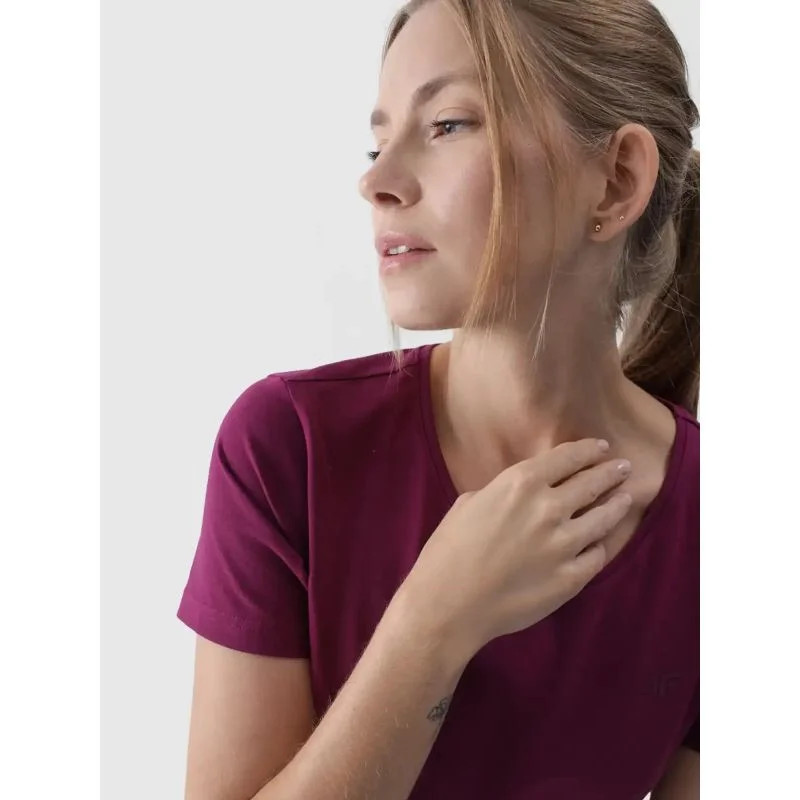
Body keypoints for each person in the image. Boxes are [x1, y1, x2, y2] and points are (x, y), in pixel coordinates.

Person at [176, 0, 700, 798]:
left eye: (448, 125)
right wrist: (434, 622)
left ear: (617, 179)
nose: (376, 182)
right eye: (378, 141)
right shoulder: (287, 448)